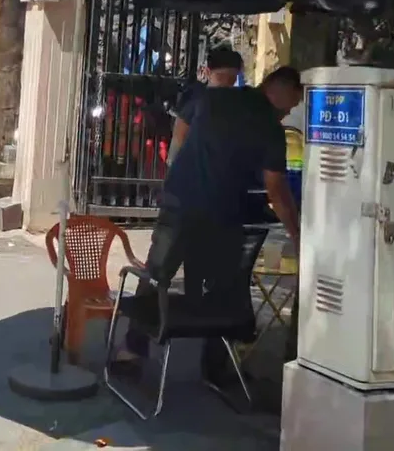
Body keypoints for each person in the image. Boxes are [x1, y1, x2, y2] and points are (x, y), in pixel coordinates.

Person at [121, 66, 305, 384]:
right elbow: (276, 189)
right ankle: (217, 366)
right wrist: (297, 232)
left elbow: (183, 127)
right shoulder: (269, 126)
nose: (289, 111)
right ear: (280, 90)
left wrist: (181, 163)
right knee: (226, 286)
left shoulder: (219, 99)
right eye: (291, 103)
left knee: (158, 273)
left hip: (181, 199)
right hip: (220, 213)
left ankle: (132, 351)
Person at [168, 45, 244, 164]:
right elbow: (179, 136)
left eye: (231, 79)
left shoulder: (237, 106)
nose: (225, 84)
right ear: (208, 73)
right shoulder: (196, 100)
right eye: (220, 77)